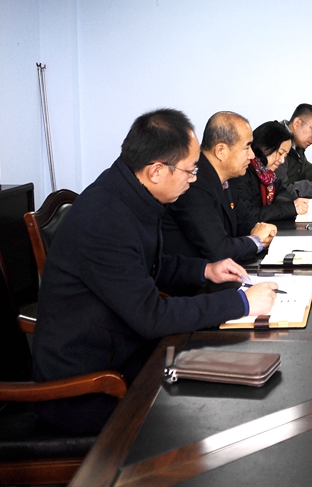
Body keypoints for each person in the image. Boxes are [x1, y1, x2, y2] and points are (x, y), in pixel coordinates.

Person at [32, 109, 277, 434]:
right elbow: (151, 316)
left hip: (125, 353)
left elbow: (153, 264)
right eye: (190, 171)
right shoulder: (106, 219)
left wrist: (206, 270)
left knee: (225, 387)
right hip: (86, 386)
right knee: (204, 418)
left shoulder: (130, 193)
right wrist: (242, 303)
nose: (193, 180)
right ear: (157, 171)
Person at [163, 112, 277, 263]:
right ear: (220, 151)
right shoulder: (193, 183)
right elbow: (219, 250)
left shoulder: (228, 178)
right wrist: (256, 241)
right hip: (191, 274)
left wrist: (263, 231)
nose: (252, 155)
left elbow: (244, 220)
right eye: (247, 147)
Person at [231, 120, 310, 222]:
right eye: (280, 153)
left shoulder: (268, 174)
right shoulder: (242, 172)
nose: (282, 160)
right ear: (264, 146)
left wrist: (279, 207)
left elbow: (282, 192)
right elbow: (248, 214)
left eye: (285, 156)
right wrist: (289, 208)